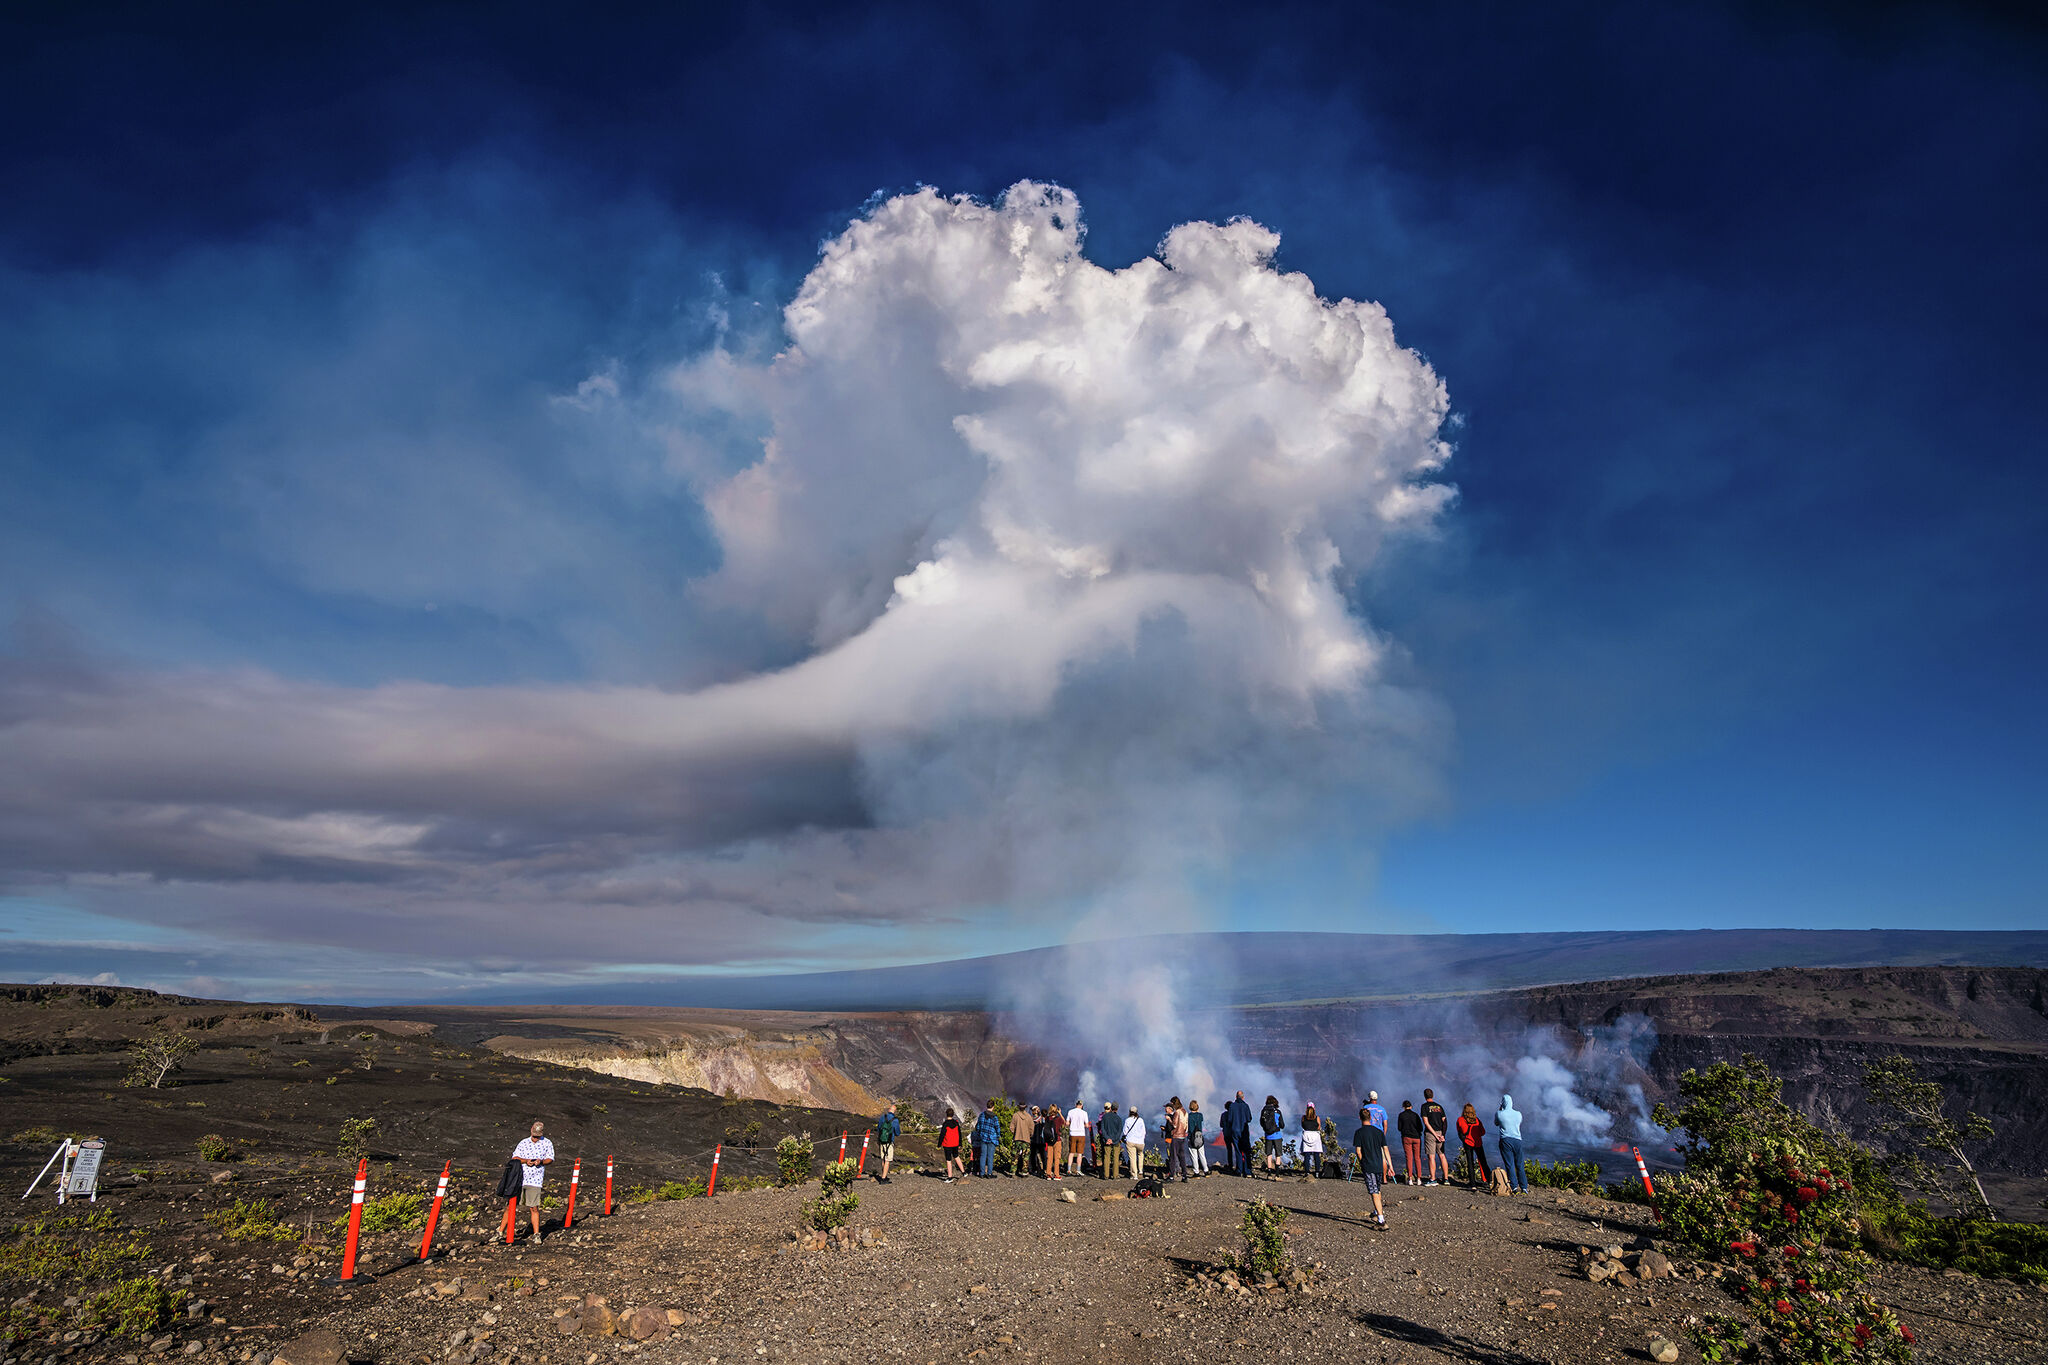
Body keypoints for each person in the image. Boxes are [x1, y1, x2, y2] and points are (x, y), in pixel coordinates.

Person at [511, 1120, 554, 1243]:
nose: (535, 1138)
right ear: (531, 1130)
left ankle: (536, 1234)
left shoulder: (547, 1143)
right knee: (511, 1206)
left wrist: (540, 1162)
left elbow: (550, 1159)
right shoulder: (523, 1143)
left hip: (535, 1179)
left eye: (537, 1136)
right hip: (520, 1178)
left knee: (533, 1207)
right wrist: (526, 1161)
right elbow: (515, 1157)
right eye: (534, 1135)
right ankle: (500, 1232)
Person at [1351, 1106, 1395, 1227]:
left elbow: (1358, 1151)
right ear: (1370, 1117)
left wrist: (1362, 1162)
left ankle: (1381, 1221)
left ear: (1360, 1118)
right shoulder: (1379, 1132)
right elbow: (1386, 1150)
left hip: (1368, 1166)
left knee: (1374, 1192)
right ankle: (1376, 1211)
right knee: (1378, 1189)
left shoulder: (1359, 1133)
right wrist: (1390, 1166)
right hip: (1379, 1166)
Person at [1495, 1093, 1528, 1193]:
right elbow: (1518, 1123)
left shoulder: (1499, 1113)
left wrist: (1500, 1109)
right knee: (1520, 1164)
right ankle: (1524, 1187)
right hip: (1517, 1140)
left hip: (1505, 1140)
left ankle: (1514, 1187)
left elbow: (1496, 1123)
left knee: (1510, 1164)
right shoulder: (1518, 1114)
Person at [1456, 1103, 1491, 1188]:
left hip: (1468, 1143)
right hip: (1478, 1142)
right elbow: (1483, 1132)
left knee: (1470, 1163)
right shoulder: (1477, 1120)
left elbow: (1462, 1131)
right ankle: (1489, 1181)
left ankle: (1473, 1184)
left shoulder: (1460, 1120)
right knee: (1483, 1162)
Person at [1419, 1088, 1449, 1186]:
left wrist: (1435, 1134)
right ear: (1433, 1095)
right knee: (1442, 1155)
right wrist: (1442, 1134)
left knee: (1431, 1156)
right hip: (1440, 1133)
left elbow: (1426, 1122)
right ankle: (1446, 1179)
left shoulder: (1424, 1106)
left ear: (1425, 1096)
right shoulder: (1439, 1107)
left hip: (1430, 1134)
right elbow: (1445, 1122)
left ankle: (1433, 1179)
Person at [1226, 1091, 1254, 1176]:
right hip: (1244, 1131)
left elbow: (1229, 1119)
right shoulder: (1246, 1106)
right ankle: (1247, 1171)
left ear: (1236, 1097)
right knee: (1246, 1150)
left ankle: (1239, 1170)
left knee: (1238, 1150)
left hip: (1235, 1131)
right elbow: (1249, 1119)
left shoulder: (1232, 1106)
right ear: (1243, 1097)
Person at [1396, 1099, 1424, 1185]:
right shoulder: (1416, 1115)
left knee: (1409, 1158)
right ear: (1411, 1107)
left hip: (1406, 1138)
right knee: (1417, 1158)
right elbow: (1421, 1128)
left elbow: (1399, 1128)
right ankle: (1419, 1179)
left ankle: (1410, 1179)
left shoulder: (1401, 1115)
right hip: (1416, 1138)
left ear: (1404, 1107)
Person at [973, 1100, 1003, 1179]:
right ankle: (989, 1173)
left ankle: (982, 1173)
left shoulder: (981, 1115)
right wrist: (998, 1136)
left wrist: (980, 1134)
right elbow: (997, 1128)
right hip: (992, 1139)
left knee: (983, 1155)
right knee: (990, 1156)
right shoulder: (994, 1117)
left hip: (983, 1138)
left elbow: (978, 1127)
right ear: (993, 1107)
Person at [875, 1102, 902, 1183]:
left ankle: (884, 1175)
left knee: (883, 1159)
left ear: (889, 1110)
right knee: (887, 1160)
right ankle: (883, 1179)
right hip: (889, 1141)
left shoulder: (883, 1117)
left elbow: (879, 1127)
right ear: (894, 1111)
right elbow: (897, 1133)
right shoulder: (895, 1120)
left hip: (882, 1140)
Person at [1037, 1103, 1065, 1181]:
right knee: (1057, 1158)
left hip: (1049, 1141)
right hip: (1057, 1140)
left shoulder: (1047, 1119)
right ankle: (1056, 1175)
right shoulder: (1058, 1119)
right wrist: (1060, 1113)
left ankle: (1048, 1174)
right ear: (1056, 1110)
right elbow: (1065, 1123)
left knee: (1049, 1158)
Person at [1165, 1097, 1191, 1182]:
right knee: (1182, 1156)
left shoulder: (1177, 1112)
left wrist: (1169, 1120)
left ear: (1174, 1103)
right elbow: (1186, 1126)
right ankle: (1184, 1176)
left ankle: (1171, 1176)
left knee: (1173, 1156)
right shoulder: (1185, 1112)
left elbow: (1175, 1125)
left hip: (1176, 1136)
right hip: (1183, 1136)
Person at [1259, 1095, 1285, 1175]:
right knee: (1278, 1154)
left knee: (1269, 1154)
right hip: (1277, 1135)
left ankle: (1269, 1172)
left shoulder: (1264, 1111)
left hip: (1268, 1135)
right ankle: (1277, 1174)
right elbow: (1282, 1125)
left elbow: (1261, 1123)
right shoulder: (1277, 1112)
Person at [1122, 1103, 1147, 1182]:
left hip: (1131, 1141)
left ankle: (1134, 1175)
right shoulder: (1141, 1120)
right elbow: (1144, 1132)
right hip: (1140, 1142)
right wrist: (1142, 1139)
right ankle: (1140, 1171)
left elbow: (1125, 1132)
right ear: (1137, 1112)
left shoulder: (1127, 1120)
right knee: (1140, 1155)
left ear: (1129, 1112)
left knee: (1132, 1158)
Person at [1010, 1101, 1035, 1177]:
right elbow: (1032, 1128)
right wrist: (1029, 1135)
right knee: (1026, 1157)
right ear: (1025, 1107)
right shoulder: (1029, 1117)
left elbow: (1011, 1127)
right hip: (1026, 1139)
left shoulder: (1015, 1116)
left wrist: (1015, 1133)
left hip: (1017, 1138)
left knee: (1015, 1156)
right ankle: (1024, 1172)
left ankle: (1013, 1172)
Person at [1298, 1102, 1323, 1178]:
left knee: (1307, 1155)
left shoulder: (1303, 1117)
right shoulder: (1317, 1118)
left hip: (1306, 1136)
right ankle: (1317, 1172)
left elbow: (1303, 1126)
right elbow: (1319, 1127)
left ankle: (1307, 1172)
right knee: (1316, 1156)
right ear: (1314, 1109)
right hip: (1315, 1136)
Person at [1097, 1101, 1121, 1179]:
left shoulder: (1105, 1117)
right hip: (1116, 1141)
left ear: (1111, 1108)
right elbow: (1119, 1131)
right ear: (1117, 1109)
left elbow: (1103, 1129)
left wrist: (1108, 1139)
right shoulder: (1118, 1118)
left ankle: (1106, 1175)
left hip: (1107, 1141)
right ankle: (1115, 1175)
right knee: (1116, 1157)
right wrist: (1113, 1139)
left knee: (1106, 1157)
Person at [939, 1107, 964, 1181]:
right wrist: (960, 1143)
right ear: (953, 1114)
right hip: (955, 1144)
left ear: (946, 1114)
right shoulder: (956, 1123)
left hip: (947, 1144)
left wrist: (939, 1144)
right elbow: (959, 1133)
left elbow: (942, 1134)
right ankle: (963, 1172)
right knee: (956, 1157)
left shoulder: (945, 1124)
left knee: (948, 1160)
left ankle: (950, 1177)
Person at [1066, 1100, 1090, 1176]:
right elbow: (1086, 1125)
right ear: (1082, 1105)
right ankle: (1078, 1170)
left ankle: (1069, 1170)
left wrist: (1071, 1124)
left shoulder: (1070, 1112)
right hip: (1081, 1134)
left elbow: (1067, 1123)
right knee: (1080, 1153)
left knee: (1071, 1152)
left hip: (1072, 1133)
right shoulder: (1084, 1113)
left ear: (1075, 1104)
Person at [1187, 1100, 1208, 1176]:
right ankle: (1206, 1170)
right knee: (1202, 1155)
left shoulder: (1188, 1116)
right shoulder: (1200, 1115)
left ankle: (1196, 1172)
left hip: (1191, 1137)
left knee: (1194, 1156)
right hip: (1199, 1136)